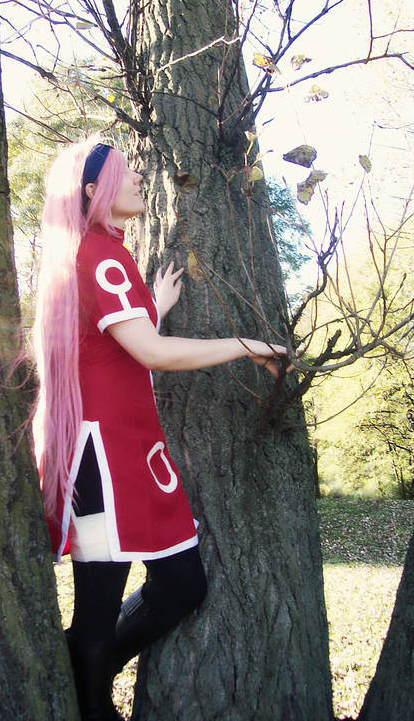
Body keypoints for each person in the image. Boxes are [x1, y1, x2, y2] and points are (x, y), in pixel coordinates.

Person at [31, 136, 290, 721]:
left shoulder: (97, 254)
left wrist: (153, 307)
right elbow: (148, 354)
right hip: (104, 461)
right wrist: (245, 344)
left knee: (179, 583)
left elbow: (112, 346)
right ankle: (91, 705)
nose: (139, 180)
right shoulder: (99, 255)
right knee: (102, 606)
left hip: (127, 455)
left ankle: (86, 680)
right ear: (95, 191)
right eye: (127, 174)